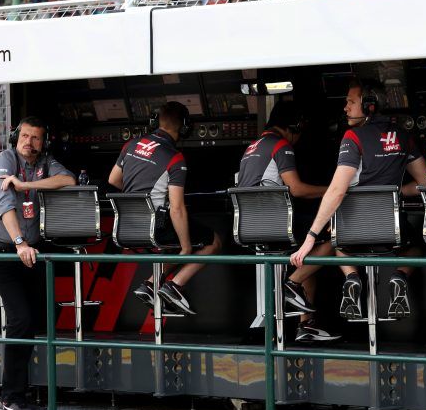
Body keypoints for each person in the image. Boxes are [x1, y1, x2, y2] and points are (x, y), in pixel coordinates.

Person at [290, 79, 426, 320]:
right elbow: (425, 183)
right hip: (392, 232)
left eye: (350, 102)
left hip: (353, 232)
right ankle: (399, 276)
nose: (345, 108)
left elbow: (337, 191)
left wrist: (311, 237)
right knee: (416, 246)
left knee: (339, 243)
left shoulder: (353, 137)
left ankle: (352, 277)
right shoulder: (404, 136)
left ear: (369, 105)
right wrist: (398, 191)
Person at [0, 116, 76, 410]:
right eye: (25, 136)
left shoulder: (45, 163)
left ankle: (24, 395)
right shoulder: (5, 159)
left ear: (43, 141)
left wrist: (26, 184)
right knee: (20, 321)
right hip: (6, 253)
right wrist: (19, 242)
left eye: (36, 137)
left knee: (40, 319)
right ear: (16, 137)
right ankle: (10, 400)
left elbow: (69, 180)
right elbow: (5, 205)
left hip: (33, 254)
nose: (29, 142)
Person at [237, 99, 339, 342]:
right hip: (275, 225)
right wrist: (332, 191)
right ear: (294, 125)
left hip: (249, 226)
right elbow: (297, 189)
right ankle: (291, 285)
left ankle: (306, 325)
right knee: (335, 235)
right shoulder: (280, 145)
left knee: (307, 251)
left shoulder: (252, 146)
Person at [108, 101, 222, 316]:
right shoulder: (174, 157)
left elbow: (113, 179)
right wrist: (186, 248)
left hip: (127, 226)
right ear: (185, 127)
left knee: (174, 241)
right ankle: (175, 286)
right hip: (155, 227)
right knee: (212, 242)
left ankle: (150, 285)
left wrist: (138, 198)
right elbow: (177, 208)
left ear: (155, 121)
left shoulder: (131, 144)